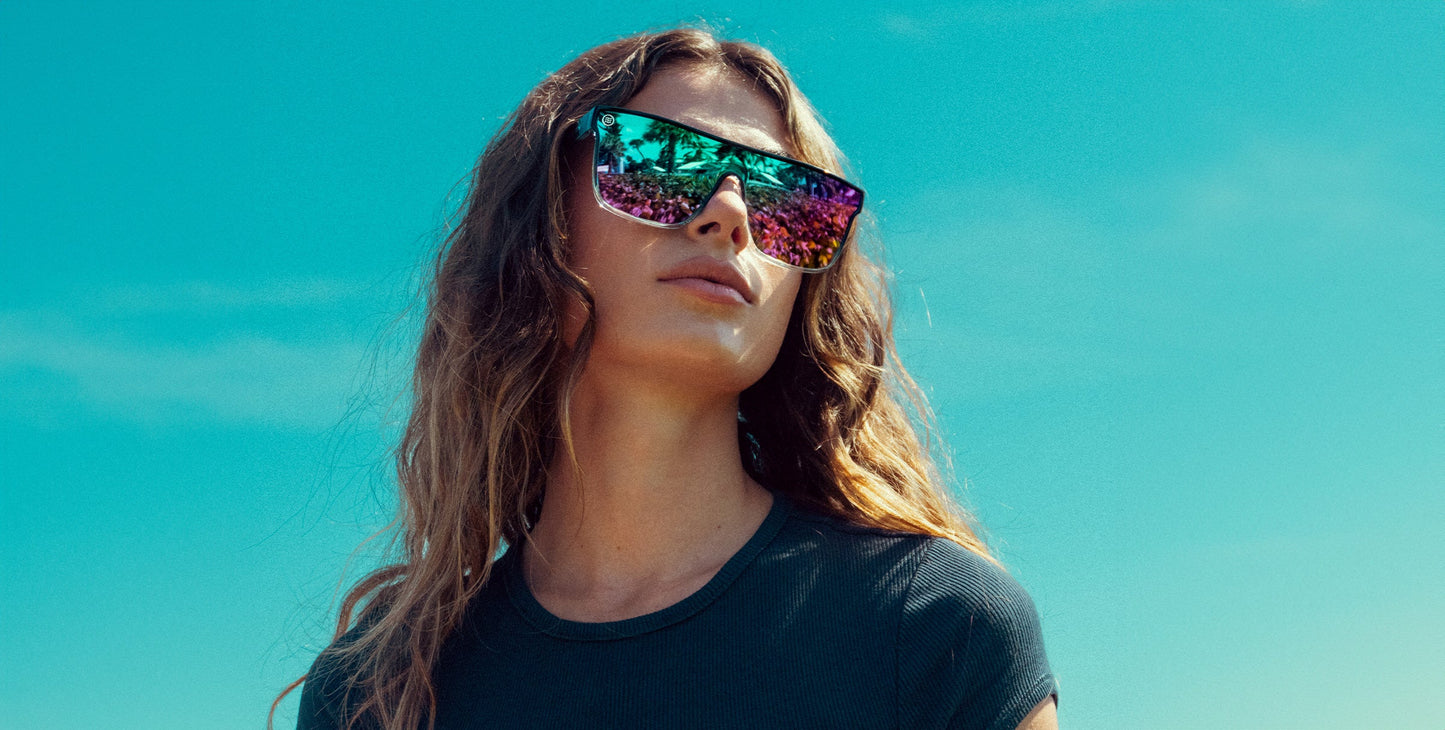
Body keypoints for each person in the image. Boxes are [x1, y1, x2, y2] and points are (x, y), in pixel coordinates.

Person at [272, 26, 1058, 730]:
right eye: (663, 162)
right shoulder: (376, 692)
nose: (730, 215)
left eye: (787, 201)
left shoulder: (935, 627)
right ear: (539, 224)